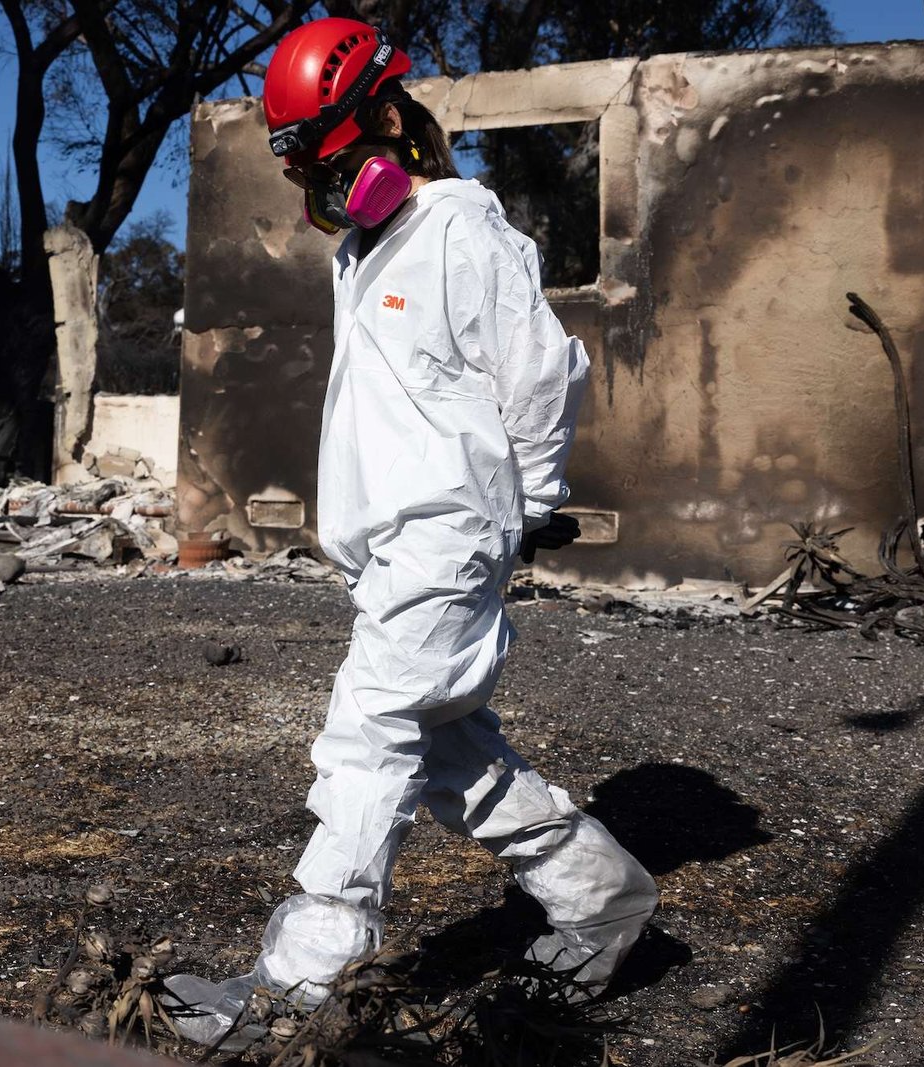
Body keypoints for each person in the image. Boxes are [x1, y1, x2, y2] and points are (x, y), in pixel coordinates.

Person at [166, 18, 658, 1045]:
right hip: (393, 539)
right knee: (443, 747)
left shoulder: (459, 227)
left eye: (331, 153)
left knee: (368, 731)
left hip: (449, 526)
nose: (322, 179)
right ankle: (599, 892)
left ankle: (299, 989)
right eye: (302, 161)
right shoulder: (364, 249)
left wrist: (519, 506)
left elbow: (541, 373)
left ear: (388, 118)